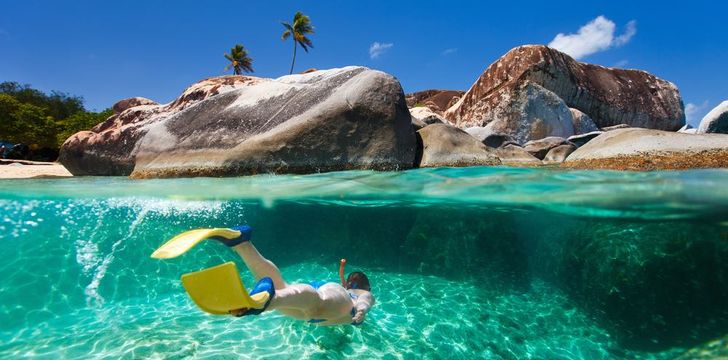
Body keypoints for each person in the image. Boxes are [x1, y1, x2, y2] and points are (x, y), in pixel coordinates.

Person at [221, 226, 375, 326]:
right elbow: (365, 301)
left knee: (281, 288)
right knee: (316, 301)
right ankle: (267, 301)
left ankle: (242, 244)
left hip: (314, 312)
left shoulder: (346, 289)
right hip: (340, 305)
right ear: (367, 286)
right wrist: (361, 310)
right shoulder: (361, 293)